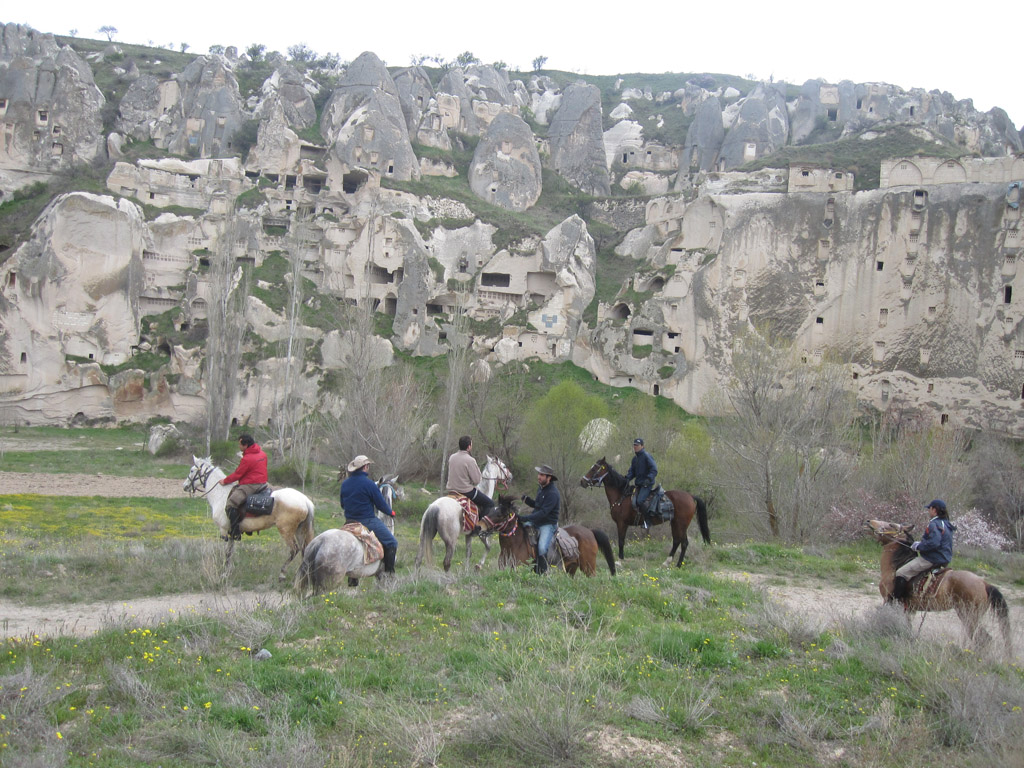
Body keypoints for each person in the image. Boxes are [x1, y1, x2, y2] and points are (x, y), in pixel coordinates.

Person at [340, 455, 398, 579]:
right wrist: (391, 512)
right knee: (391, 542)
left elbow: (342, 504)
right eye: (368, 466)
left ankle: (353, 581)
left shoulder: (345, 484)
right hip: (367, 521)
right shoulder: (369, 484)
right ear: (365, 467)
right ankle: (389, 574)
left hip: (348, 521)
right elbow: (381, 504)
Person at [892, 499, 957, 603]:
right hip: (945, 559)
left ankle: (895, 603)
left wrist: (918, 546)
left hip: (932, 559)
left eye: (929, 509)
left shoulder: (934, 524)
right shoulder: (947, 524)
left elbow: (934, 543)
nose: (928, 511)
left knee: (901, 573)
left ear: (934, 510)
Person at [220, 434, 269, 541]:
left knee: (231, 504)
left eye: (240, 444)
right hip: (263, 483)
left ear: (245, 445)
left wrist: (225, 481)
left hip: (251, 485)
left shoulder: (247, 458)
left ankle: (235, 532)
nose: (239, 446)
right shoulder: (263, 454)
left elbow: (238, 474)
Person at [519, 464, 561, 575]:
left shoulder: (553, 493)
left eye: (542, 475)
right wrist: (527, 500)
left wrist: (525, 518)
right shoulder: (541, 489)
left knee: (542, 548)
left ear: (549, 478)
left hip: (548, 524)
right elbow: (538, 506)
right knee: (518, 530)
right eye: (539, 474)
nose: (539, 477)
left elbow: (543, 513)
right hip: (536, 521)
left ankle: (544, 571)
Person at [445, 436, 494, 518]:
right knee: (490, 504)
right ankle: (479, 526)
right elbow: (477, 480)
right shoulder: (470, 460)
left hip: (451, 490)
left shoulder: (452, 457)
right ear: (469, 447)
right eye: (471, 444)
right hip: (466, 492)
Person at [624, 438, 658, 515]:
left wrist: (648, 479)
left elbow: (654, 469)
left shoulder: (647, 456)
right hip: (639, 485)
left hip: (647, 485)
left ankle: (647, 520)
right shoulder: (635, 459)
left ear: (642, 446)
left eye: (637, 445)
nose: (635, 447)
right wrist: (626, 479)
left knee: (640, 501)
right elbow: (632, 472)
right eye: (634, 445)